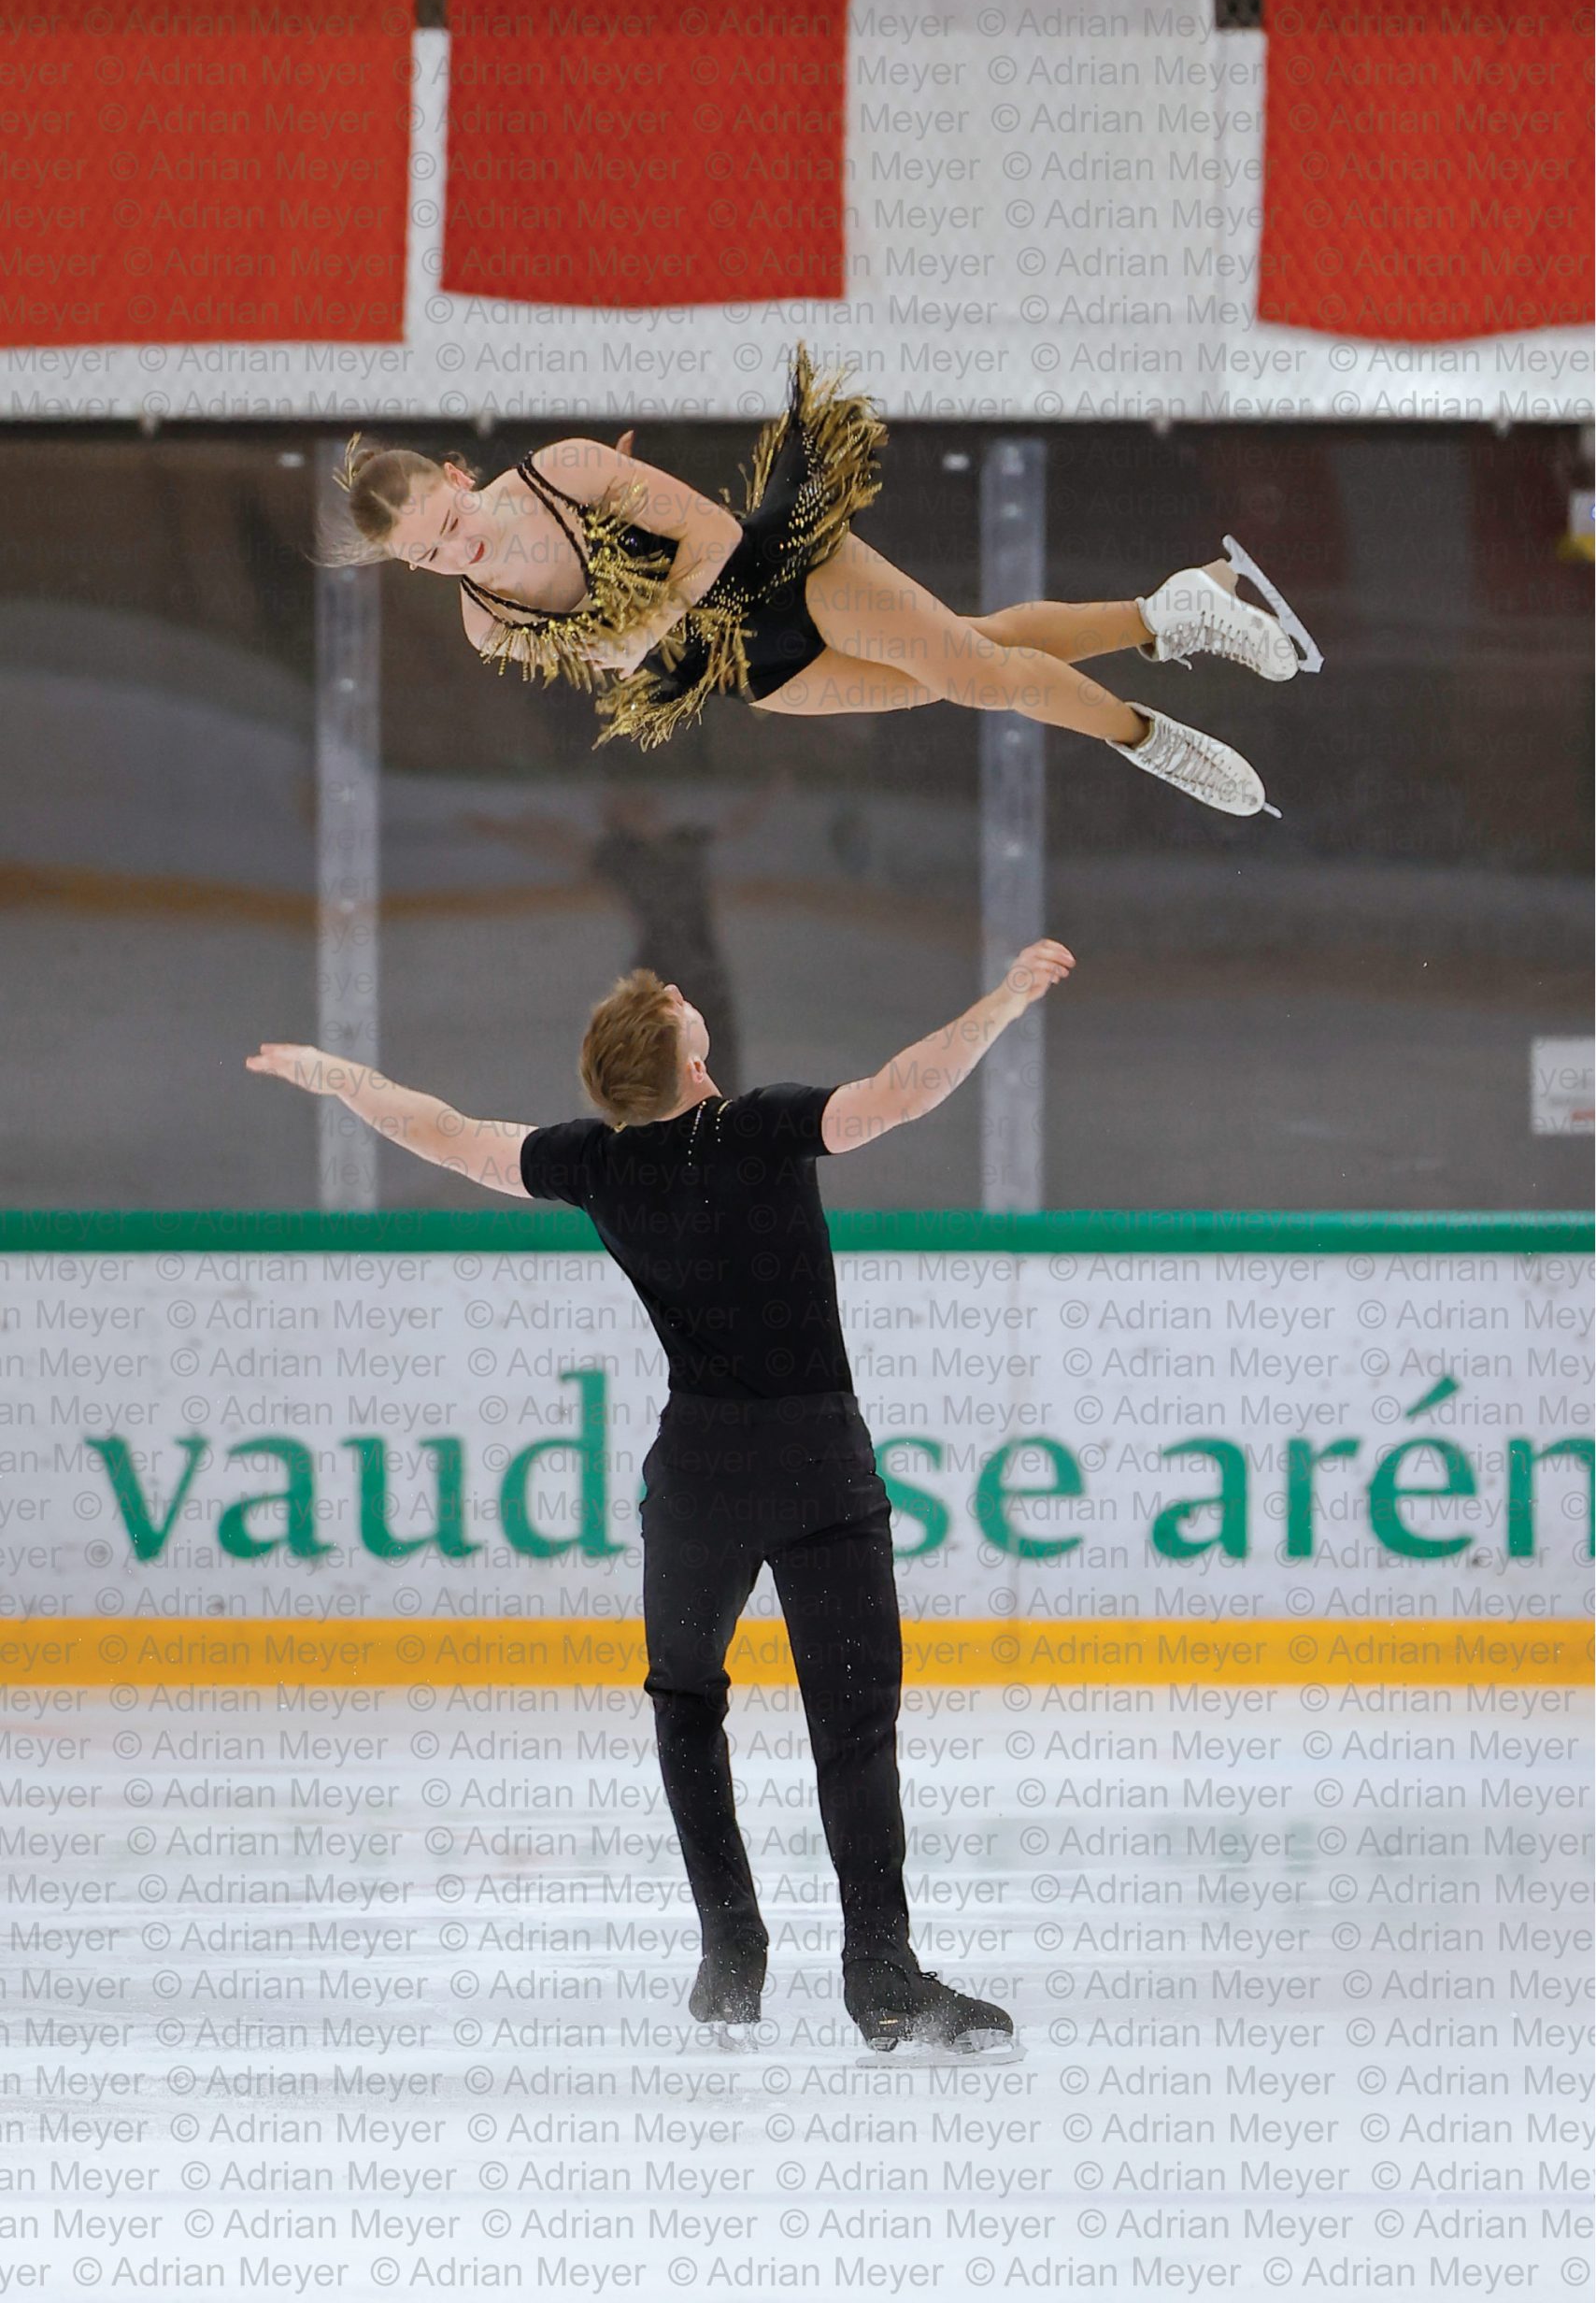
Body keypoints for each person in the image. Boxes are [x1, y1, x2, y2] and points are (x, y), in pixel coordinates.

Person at [246, 932, 1078, 2057]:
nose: (687, 995)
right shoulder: (761, 1125)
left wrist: (335, 1076)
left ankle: (731, 1948)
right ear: (693, 1066)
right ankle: (878, 1969)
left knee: (686, 1700)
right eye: (683, 1010)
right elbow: (903, 1092)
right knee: (853, 1727)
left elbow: (443, 1132)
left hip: (697, 1482)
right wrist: (1006, 998)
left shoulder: (596, 1163)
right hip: (821, 1469)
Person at [320, 342, 1322, 817]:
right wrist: (644, 650)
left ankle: (1150, 740)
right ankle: (1170, 612)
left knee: (979, 675)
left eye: (449, 525)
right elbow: (617, 663)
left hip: (783, 574)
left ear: (457, 476)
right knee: (968, 656)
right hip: (759, 672)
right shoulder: (483, 624)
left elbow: (712, 537)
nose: (458, 555)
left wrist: (644, 634)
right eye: (429, 557)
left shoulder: (564, 470)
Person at [462, 777, 785, 1105]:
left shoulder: (686, 839)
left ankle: (717, 1133)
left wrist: (771, 790)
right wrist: (500, 828)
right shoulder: (620, 855)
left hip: (707, 976)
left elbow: (736, 824)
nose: (644, 804)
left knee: (719, 1074)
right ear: (619, 818)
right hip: (660, 975)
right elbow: (560, 846)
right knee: (660, 1069)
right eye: (632, 803)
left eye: (642, 800)